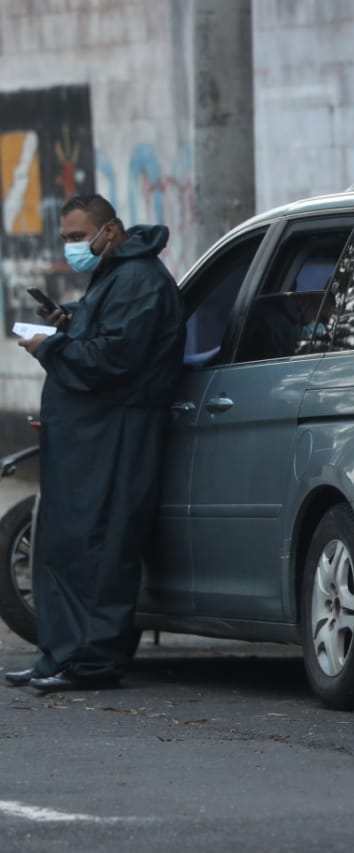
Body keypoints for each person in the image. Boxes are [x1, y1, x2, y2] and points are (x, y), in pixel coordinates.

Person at [4, 194, 184, 692]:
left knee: (99, 546)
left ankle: (91, 660)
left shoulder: (140, 280)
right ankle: (60, 656)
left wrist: (54, 346)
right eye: (65, 238)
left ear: (111, 231)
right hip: (87, 437)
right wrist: (71, 321)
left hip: (115, 435)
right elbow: (103, 333)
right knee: (67, 545)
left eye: (79, 237)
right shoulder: (115, 276)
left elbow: (115, 358)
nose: (72, 248)